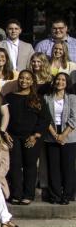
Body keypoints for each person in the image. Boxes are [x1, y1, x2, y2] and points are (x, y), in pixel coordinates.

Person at [3, 70, 49, 203]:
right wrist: (5, 133)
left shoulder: (37, 98)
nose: (24, 81)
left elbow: (45, 119)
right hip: (13, 137)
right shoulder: (9, 97)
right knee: (15, 165)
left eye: (28, 79)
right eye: (22, 78)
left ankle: (28, 195)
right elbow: (4, 116)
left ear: (32, 81)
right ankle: (16, 194)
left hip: (32, 137)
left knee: (30, 164)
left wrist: (36, 135)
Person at [44, 72, 76, 204]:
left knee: (68, 166)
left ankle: (67, 195)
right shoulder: (47, 98)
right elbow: (45, 118)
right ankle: (55, 195)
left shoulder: (72, 98)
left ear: (67, 83)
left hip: (69, 134)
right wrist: (55, 134)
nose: (60, 82)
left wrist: (63, 135)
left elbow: (74, 118)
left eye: (63, 80)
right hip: (51, 134)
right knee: (53, 166)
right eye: (58, 79)